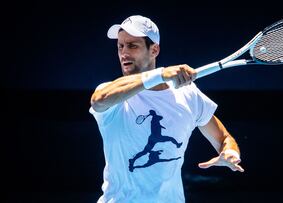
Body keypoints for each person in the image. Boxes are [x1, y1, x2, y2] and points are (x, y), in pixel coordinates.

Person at [89, 15, 244, 203]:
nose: (124, 53)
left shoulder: (188, 95)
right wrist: (159, 74)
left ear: (154, 50)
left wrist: (230, 153)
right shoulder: (112, 94)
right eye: (120, 46)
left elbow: (224, 138)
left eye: (132, 45)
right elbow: (99, 100)